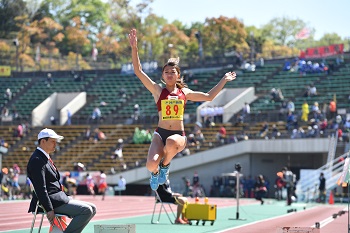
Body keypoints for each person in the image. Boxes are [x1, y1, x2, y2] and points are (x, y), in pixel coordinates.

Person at [128, 28, 237, 190]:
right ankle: (156, 172)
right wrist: (134, 48)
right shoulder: (158, 91)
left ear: (178, 75)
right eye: (166, 72)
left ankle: (165, 166)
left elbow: (208, 97)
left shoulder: (184, 93)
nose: (169, 74)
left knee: (171, 142)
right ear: (163, 76)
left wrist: (224, 80)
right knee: (150, 164)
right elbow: (138, 71)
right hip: (160, 134)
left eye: (173, 72)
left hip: (178, 136)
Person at [27, 128, 96, 233]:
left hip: (58, 198)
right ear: (43, 141)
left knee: (93, 208)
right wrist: (49, 209)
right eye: (53, 141)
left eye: (56, 142)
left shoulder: (44, 157)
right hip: (50, 202)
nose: (55, 144)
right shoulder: (37, 159)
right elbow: (41, 188)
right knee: (86, 210)